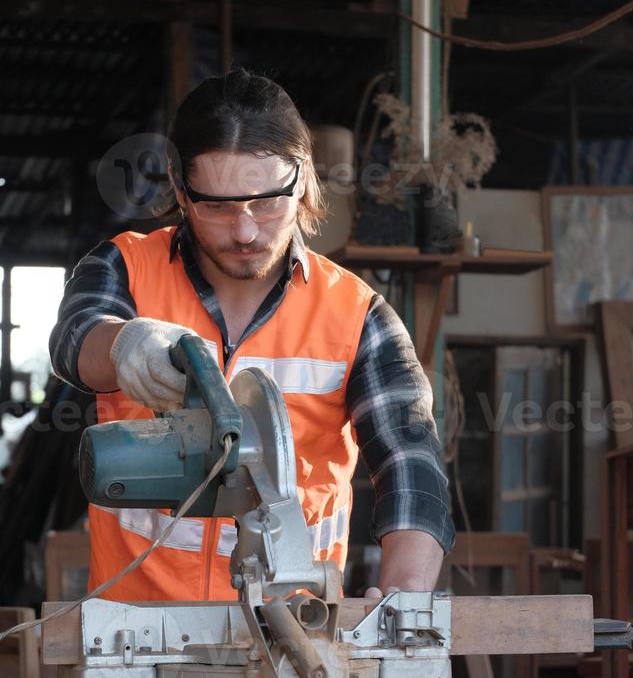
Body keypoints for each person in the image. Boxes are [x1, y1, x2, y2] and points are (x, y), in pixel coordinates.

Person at [50, 68, 454, 605]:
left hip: (294, 640)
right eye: (216, 206)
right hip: (135, 635)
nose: (244, 231)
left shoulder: (358, 315)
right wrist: (123, 343)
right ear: (179, 188)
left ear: (304, 179)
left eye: (266, 202)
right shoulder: (125, 269)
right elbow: (75, 338)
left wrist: (406, 598)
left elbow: (410, 459)